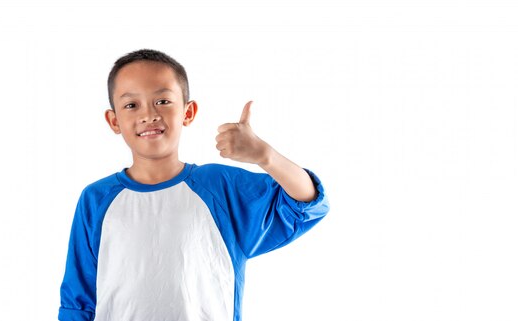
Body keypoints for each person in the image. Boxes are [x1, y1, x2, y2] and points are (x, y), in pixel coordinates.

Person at [58, 49, 329, 321]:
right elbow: (77, 302)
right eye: (131, 105)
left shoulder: (220, 188)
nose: (149, 114)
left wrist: (264, 156)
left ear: (188, 112)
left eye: (163, 101)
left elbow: (306, 203)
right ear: (114, 120)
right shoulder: (96, 199)